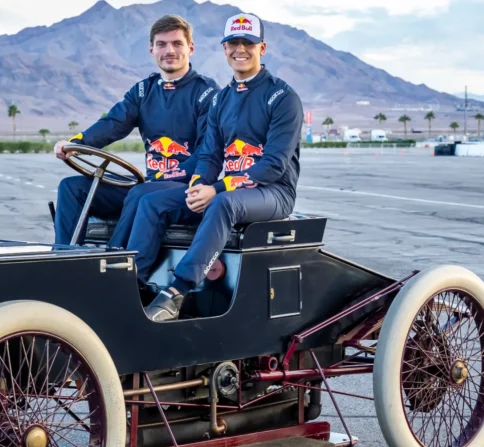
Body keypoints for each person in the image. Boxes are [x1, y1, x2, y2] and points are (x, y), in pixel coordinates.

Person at [127, 13, 304, 322]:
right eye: (233, 43)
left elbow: (274, 165)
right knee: (151, 202)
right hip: (234, 191)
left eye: (248, 43)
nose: (240, 50)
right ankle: (131, 286)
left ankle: (176, 292)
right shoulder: (221, 99)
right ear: (224, 49)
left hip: (274, 193)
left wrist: (217, 188)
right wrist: (197, 185)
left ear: (262, 48)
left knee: (222, 203)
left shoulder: (282, 97)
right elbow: (209, 155)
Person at [52, 15, 218, 247]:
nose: (169, 50)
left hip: (187, 191)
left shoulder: (207, 94)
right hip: (148, 187)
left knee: (141, 194)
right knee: (72, 187)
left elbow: (205, 155)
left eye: (177, 43)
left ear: (190, 48)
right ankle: (64, 259)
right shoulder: (142, 91)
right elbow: (113, 123)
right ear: (152, 49)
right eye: (161, 44)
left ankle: (115, 262)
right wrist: (77, 143)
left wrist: (162, 178)